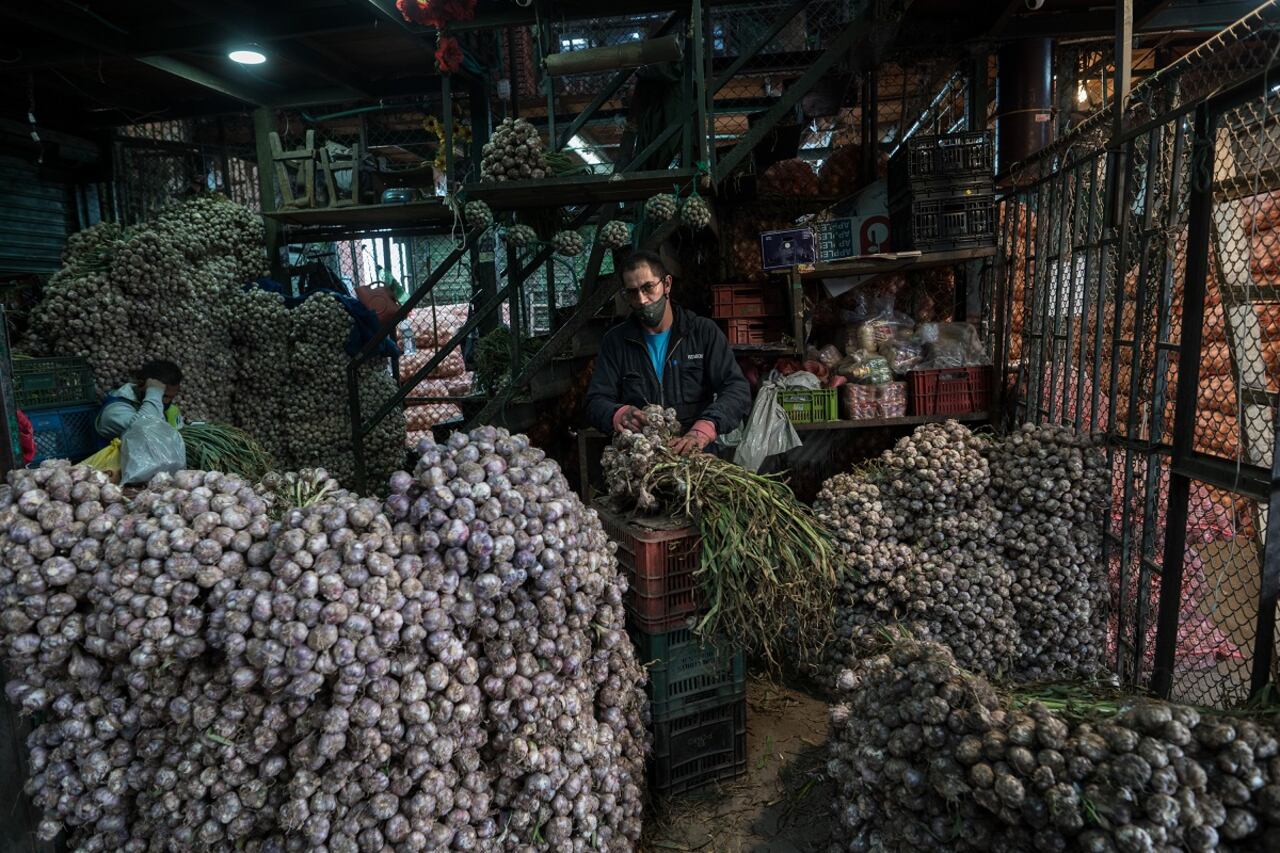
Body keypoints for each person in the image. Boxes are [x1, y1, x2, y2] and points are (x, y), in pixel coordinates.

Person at [586, 250, 751, 455]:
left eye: (648, 287)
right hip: (642, 458)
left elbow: (736, 388)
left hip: (696, 453)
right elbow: (595, 401)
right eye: (632, 292)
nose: (642, 299)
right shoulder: (616, 342)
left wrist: (705, 427)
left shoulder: (702, 333)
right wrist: (617, 414)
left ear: (667, 285)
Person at [96, 360, 184, 440]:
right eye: (162, 396)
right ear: (141, 385)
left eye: (171, 397)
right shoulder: (114, 412)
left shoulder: (165, 409)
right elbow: (145, 428)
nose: (166, 402)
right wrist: (154, 391)